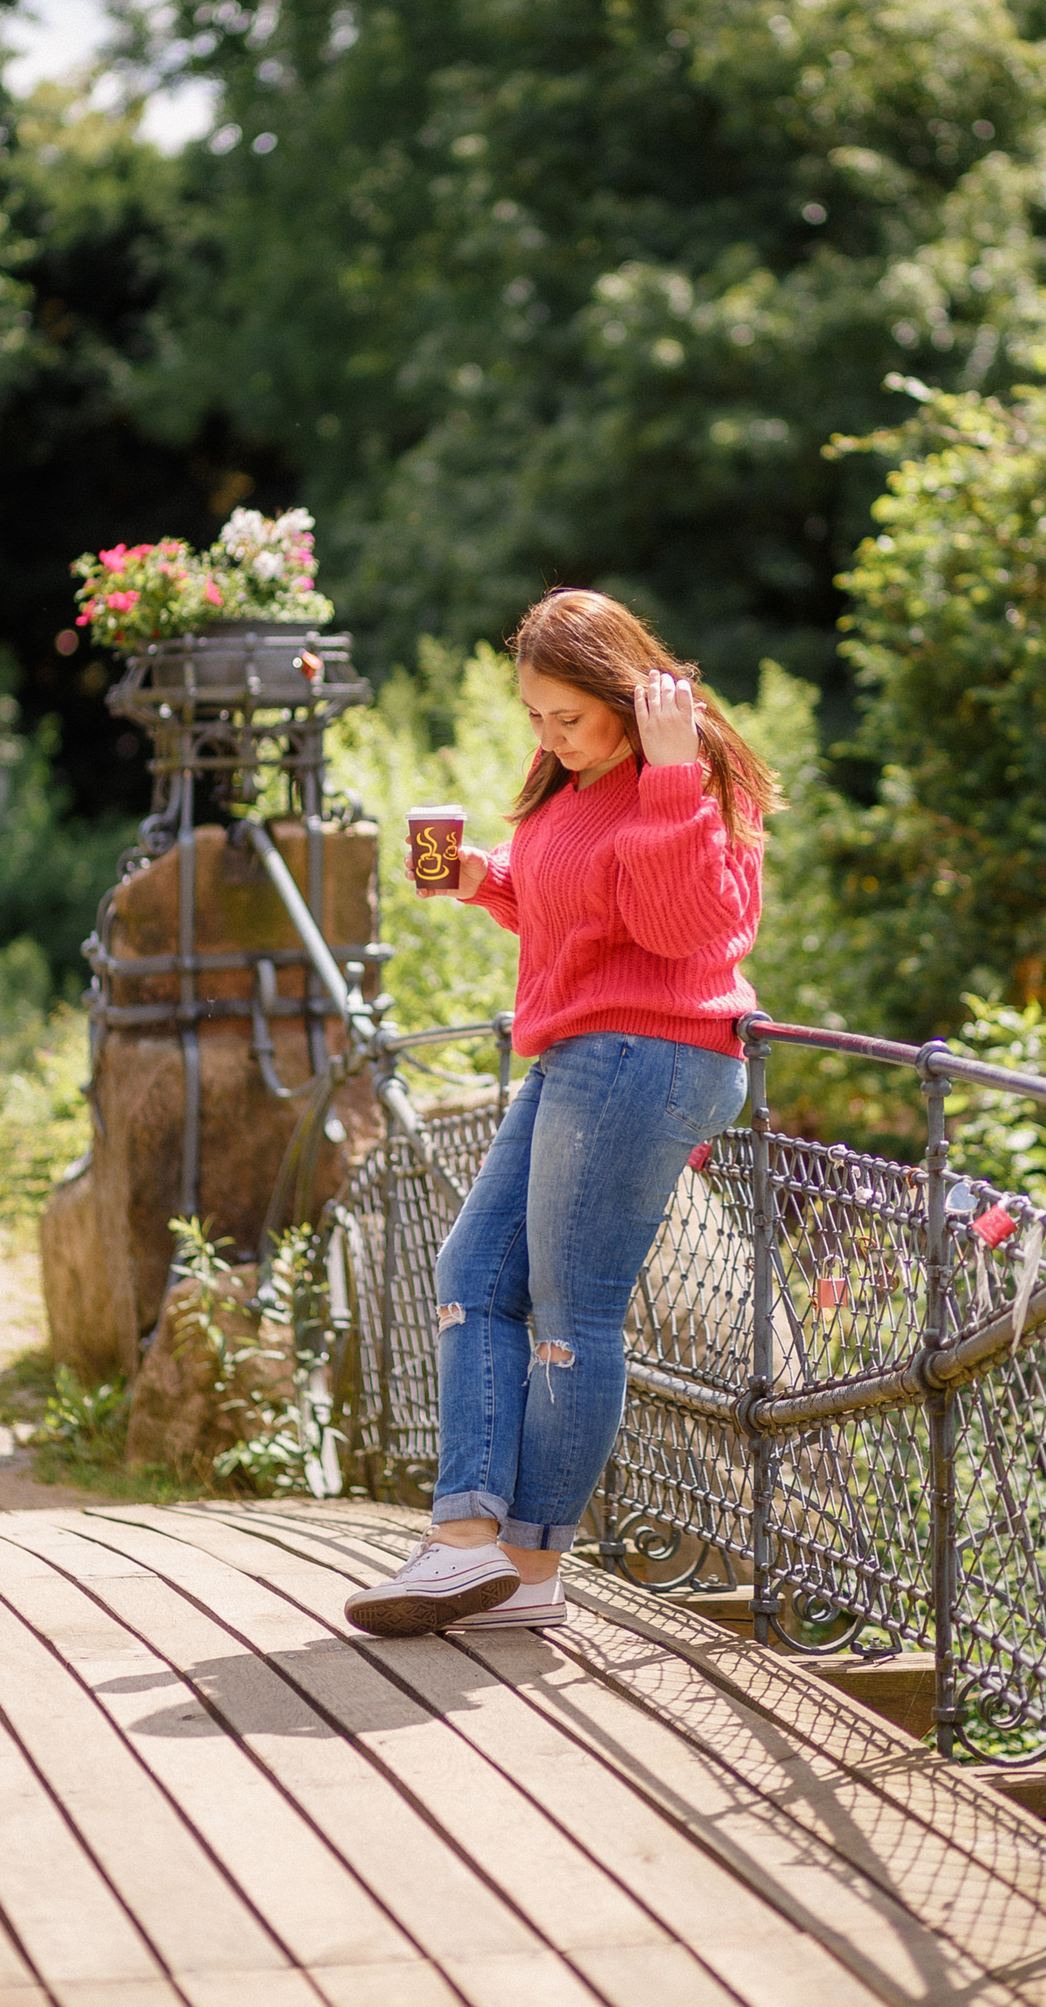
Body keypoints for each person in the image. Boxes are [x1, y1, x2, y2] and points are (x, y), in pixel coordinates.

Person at [344, 588, 779, 1637]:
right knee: (472, 1276)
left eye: (566, 718)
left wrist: (672, 770)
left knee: (572, 1317)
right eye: (534, 717)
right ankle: (483, 1547)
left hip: (652, 1052)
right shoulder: (577, 782)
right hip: (585, 1046)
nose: (549, 737)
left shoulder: (693, 778)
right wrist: (483, 880)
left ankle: (518, 1557)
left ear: (627, 695)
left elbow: (683, 928)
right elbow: (585, 908)